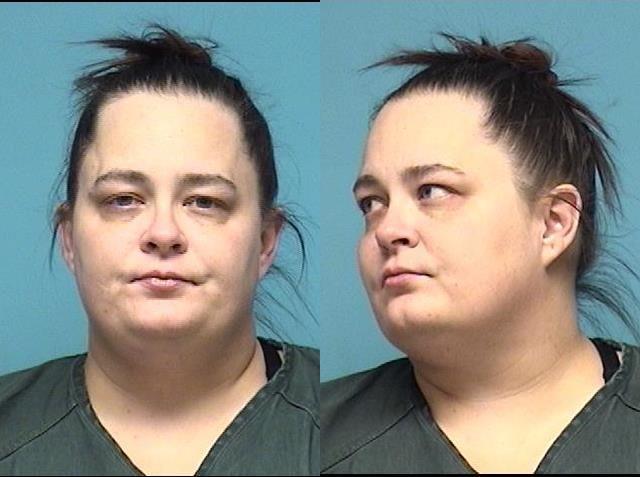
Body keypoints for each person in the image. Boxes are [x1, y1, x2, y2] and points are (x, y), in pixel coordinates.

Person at [0, 25, 318, 475]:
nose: (164, 233)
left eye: (204, 202)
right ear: (69, 238)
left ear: (266, 241)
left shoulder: (333, 425)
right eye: (123, 199)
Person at [321, 34, 640, 474]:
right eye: (372, 203)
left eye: (432, 191)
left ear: (553, 223)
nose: (388, 230)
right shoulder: (313, 440)